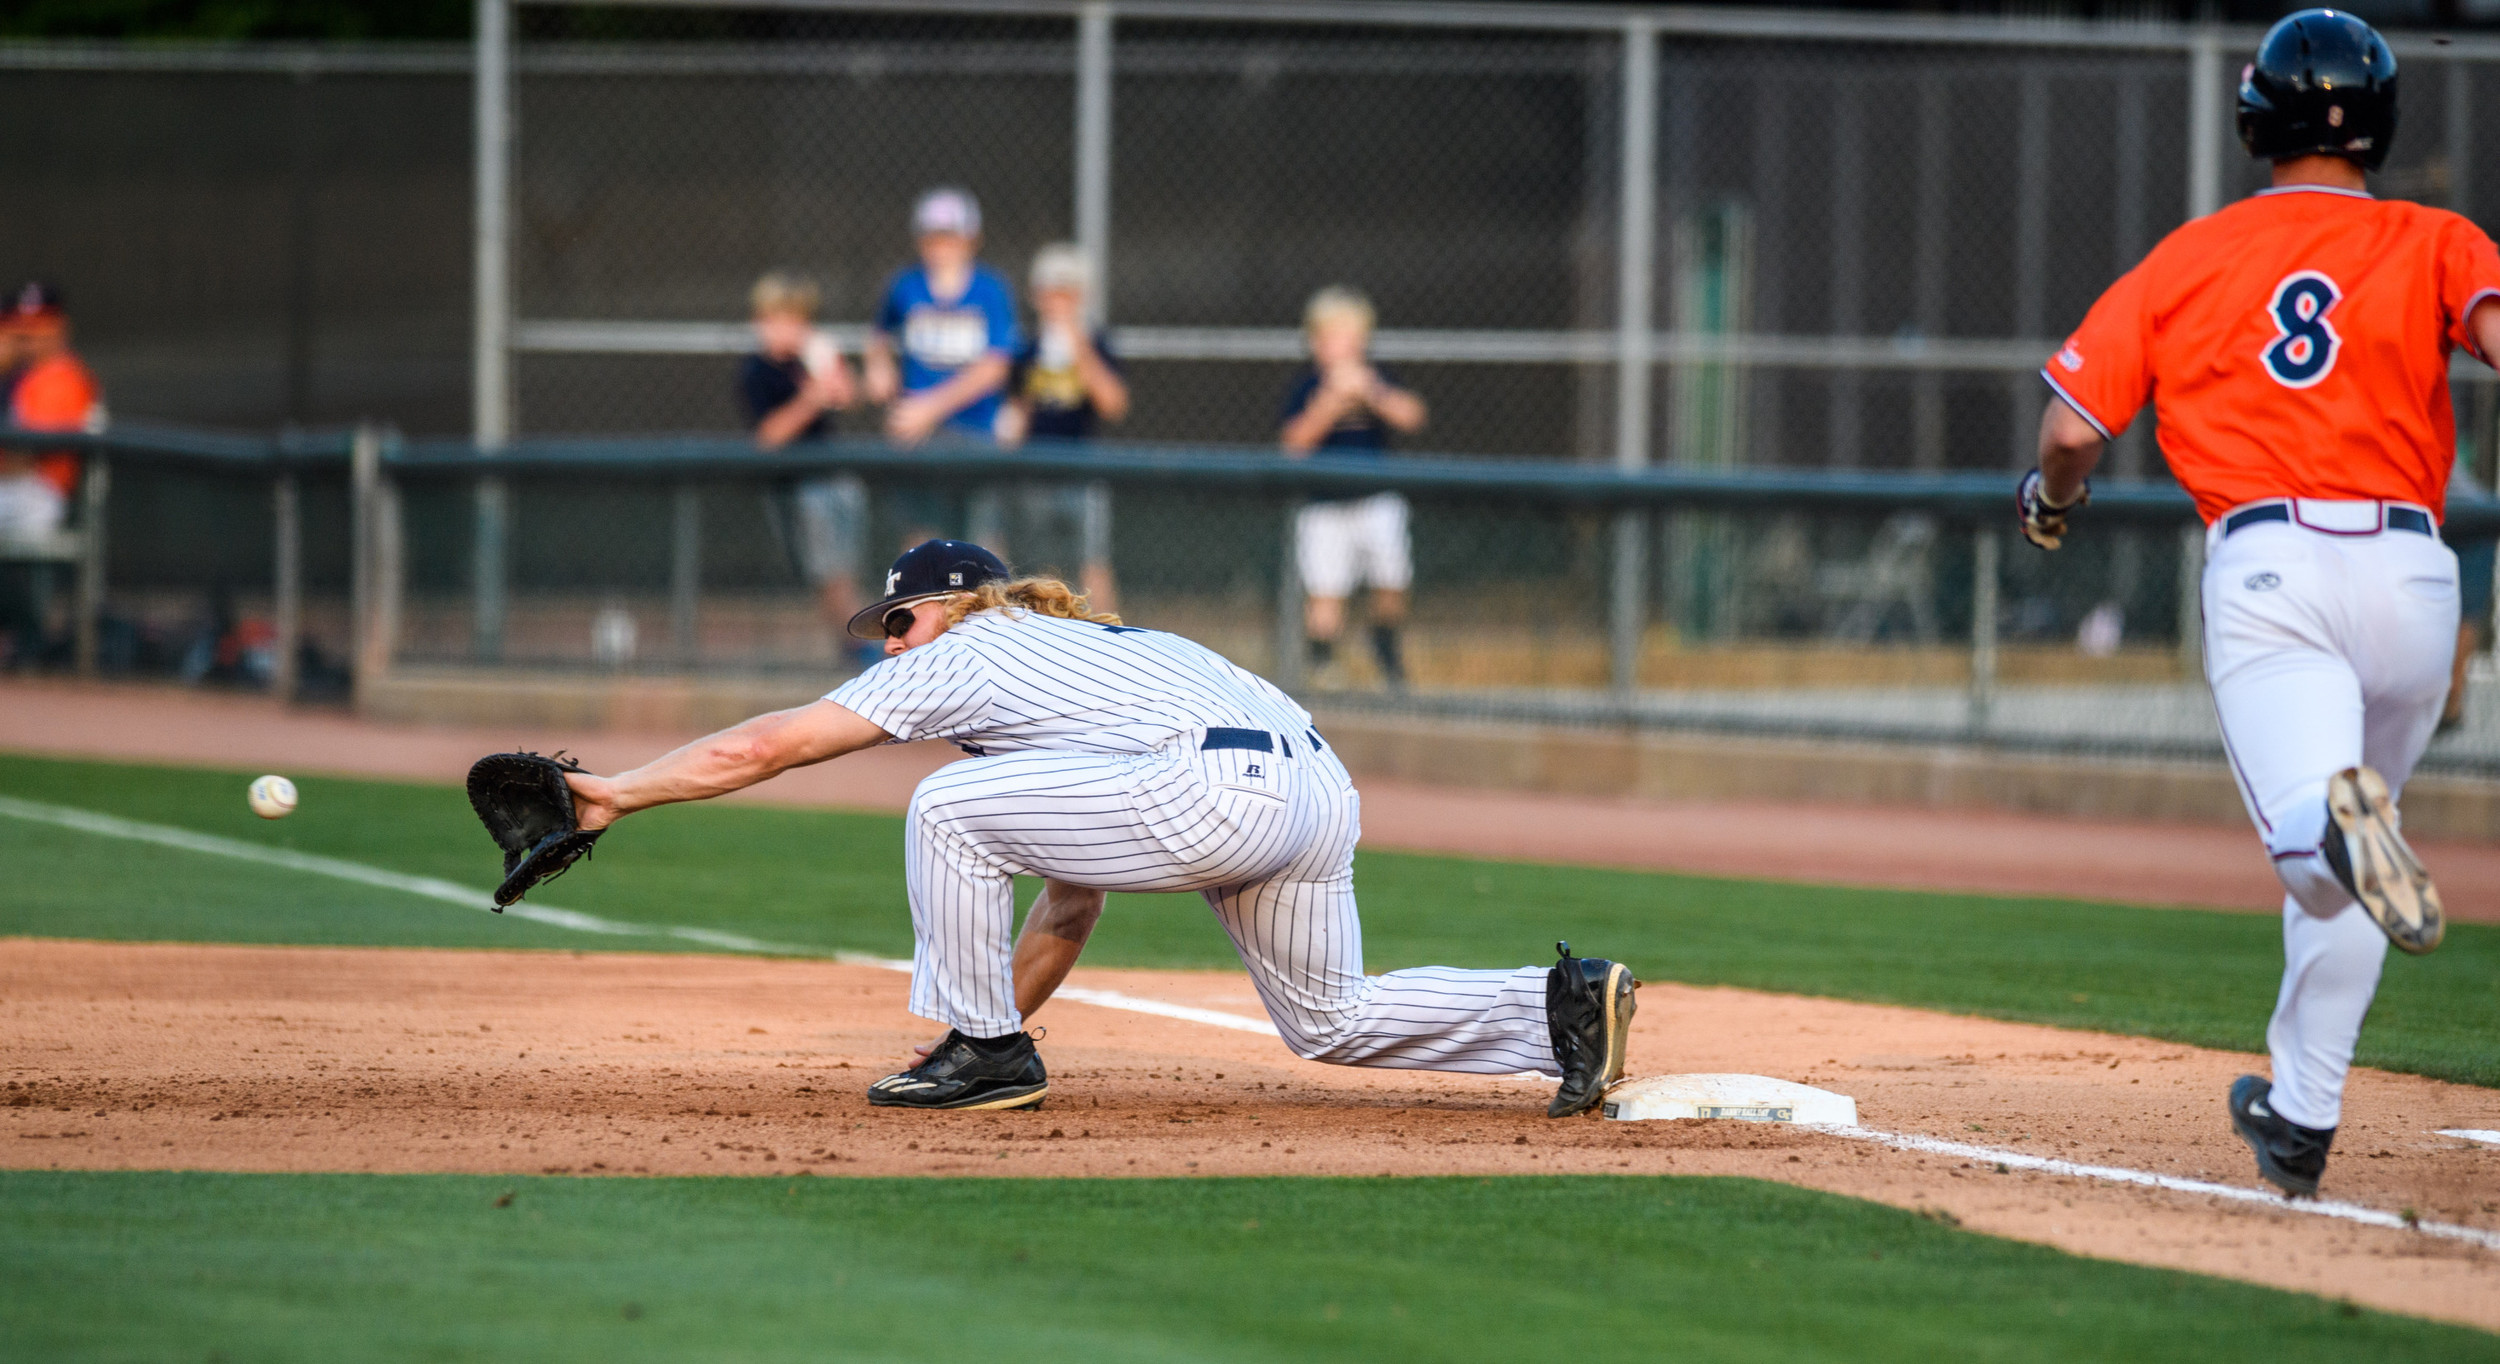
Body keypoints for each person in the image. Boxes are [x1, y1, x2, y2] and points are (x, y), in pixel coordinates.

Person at [557, 538, 1639, 1117]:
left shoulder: (972, 647)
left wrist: (618, 791)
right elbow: (1072, 900)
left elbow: (768, 744)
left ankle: (986, 1052)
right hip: (1312, 787)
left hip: (1217, 788)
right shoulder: (1093, 656)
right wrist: (980, 1031)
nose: (893, 645)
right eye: (885, 629)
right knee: (1328, 1019)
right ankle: (1557, 1010)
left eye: (901, 619)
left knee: (941, 804)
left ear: (962, 602)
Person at [2020, 10, 2500, 1199]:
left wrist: (2047, 496)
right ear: (2377, 124)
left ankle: (2333, 824)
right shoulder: (2436, 235)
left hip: (2272, 567)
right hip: (2412, 576)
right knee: (2357, 836)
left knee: (2314, 849)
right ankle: (2298, 1115)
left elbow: (2073, 429)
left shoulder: (2189, 256)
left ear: (2256, 120)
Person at [1279, 287, 1427, 690]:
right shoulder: (1306, 384)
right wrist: (1328, 403)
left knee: (1392, 580)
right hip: (1324, 504)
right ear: (1315, 342)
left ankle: (1385, 651)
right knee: (1326, 591)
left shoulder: (1377, 376)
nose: (1343, 347)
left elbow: (1412, 416)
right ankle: (1324, 664)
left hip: (1376, 498)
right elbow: (1293, 445)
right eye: (1332, 337)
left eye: (1351, 337)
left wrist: (1371, 393)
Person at [862, 188, 1019, 550]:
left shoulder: (990, 289)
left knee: (983, 544)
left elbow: (995, 366)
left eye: (950, 237)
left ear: (971, 240)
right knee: (919, 542)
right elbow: (879, 336)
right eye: (933, 237)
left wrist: (929, 408)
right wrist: (878, 365)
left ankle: (989, 611)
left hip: (976, 430)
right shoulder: (906, 285)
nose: (940, 247)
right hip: (917, 435)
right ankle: (916, 608)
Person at [736, 271, 876, 666]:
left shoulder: (807, 359)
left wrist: (829, 368)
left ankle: (857, 643)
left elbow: (851, 397)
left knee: (845, 566)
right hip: (796, 487)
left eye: (796, 320)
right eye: (777, 320)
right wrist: (812, 398)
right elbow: (769, 436)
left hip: (833, 475)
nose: (787, 330)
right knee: (826, 571)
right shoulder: (756, 370)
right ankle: (853, 645)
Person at [998, 243, 1128, 610]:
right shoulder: (1027, 349)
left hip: (1082, 465)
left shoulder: (1096, 342)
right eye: (1050, 292)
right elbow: (1013, 417)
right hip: (1035, 468)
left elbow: (1113, 403)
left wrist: (1076, 345)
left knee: (1092, 563)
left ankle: (1109, 645)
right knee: (1033, 567)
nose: (1057, 302)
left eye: (1066, 293)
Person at [0, 283, 103, 666]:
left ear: (60, 329)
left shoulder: (60, 376)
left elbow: (22, 458)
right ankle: (21, 632)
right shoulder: (22, 378)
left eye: (38, 329)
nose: (28, 340)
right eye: (21, 331)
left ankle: (25, 634)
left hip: (39, 493)